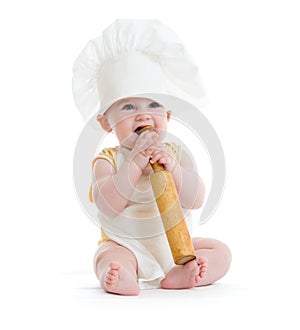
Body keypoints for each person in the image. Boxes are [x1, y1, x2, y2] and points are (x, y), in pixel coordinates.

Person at [72, 20, 231, 295]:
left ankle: (180, 273)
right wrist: (134, 164)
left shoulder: (176, 154)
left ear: (167, 116)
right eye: (128, 107)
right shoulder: (106, 160)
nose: (143, 115)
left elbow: (196, 199)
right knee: (106, 258)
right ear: (106, 123)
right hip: (126, 245)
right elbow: (108, 205)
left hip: (174, 245)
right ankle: (124, 277)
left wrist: (175, 171)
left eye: (154, 105)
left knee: (221, 252)